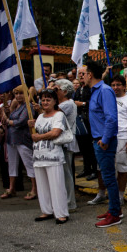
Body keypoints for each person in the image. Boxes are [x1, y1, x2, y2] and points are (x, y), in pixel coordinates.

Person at [80, 61, 121, 228]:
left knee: (109, 178)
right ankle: (114, 209)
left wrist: (104, 140)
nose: (81, 77)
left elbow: (111, 118)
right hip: (99, 140)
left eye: (83, 74)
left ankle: (114, 214)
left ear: (90, 75)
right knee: (107, 177)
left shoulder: (104, 90)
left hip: (104, 141)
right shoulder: (96, 91)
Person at [88, 75, 127, 206]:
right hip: (106, 137)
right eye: (113, 85)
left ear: (124, 86)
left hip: (122, 137)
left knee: (121, 168)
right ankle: (101, 194)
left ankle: (120, 196)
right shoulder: (107, 97)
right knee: (101, 167)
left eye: (118, 85)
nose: (115, 87)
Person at [29, 89, 69, 224]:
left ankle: (61, 213)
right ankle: (46, 210)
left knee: (57, 185)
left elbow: (55, 132)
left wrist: (39, 137)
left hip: (53, 156)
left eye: (48, 99)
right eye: (43, 100)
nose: (45, 102)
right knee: (42, 186)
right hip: (39, 155)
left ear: (54, 101)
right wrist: (31, 126)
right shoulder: (40, 117)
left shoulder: (59, 115)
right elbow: (34, 134)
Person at [0, 85, 38, 200]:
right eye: (16, 94)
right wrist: (6, 113)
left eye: (21, 93)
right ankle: (12, 188)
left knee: (28, 164)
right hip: (11, 139)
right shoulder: (17, 106)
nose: (18, 96)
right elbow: (10, 120)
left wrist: (9, 121)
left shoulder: (28, 107)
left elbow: (21, 122)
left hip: (22, 140)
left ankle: (35, 189)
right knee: (12, 164)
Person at [53, 79, 79, 211]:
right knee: (64, 172)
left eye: (56, 89)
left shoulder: (67, 104)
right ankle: (65, 200)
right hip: (64, 141)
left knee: (66, 172)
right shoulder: (66, 103)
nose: (54, 91)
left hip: (66, 141)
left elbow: (52, 114)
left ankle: (70, 202)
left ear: (64, 91)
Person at [73, 75, 97, 180]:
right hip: (80, 121)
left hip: (90, 121)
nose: (81, 76)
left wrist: (82, 103)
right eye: (80, 75)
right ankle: (86, 169)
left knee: (91, 148)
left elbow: (93, 103)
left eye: (83, 74)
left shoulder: (91, 89)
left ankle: (94, 170)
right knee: (84, 147)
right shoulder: (79, 89)